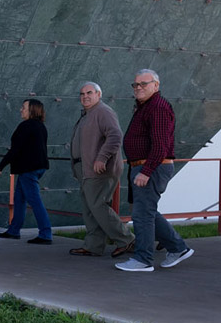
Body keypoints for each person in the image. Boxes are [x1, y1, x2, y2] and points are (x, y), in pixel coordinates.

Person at [115, 69, 193, 273]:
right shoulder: (146, 106)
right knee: (146, 211)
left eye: (144, 84)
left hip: (150, 166)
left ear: (156, 85)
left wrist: (147, 171)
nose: (138, 87)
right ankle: (178, 248)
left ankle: (143, 260)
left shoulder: (158, 107)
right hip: (141, 166)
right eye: (135, 84)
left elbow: (160, 145)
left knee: (142, 214)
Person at [67, 82, 133, 258]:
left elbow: (115, 136)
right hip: (86, 169)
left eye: (89, 93)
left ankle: (126, 239)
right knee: (90, 208)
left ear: (99, 94)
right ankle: (93, 246)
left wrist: (102, 158)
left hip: (98, 169)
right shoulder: (88, 114)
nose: (85, 96)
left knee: (98, 206)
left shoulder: (103, 111)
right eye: (82, 94)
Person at [0, 98, 53, 243]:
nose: (21, 110)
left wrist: (1, 165)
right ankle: (14, 230)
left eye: (24, 107)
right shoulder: (41, 126)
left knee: (35, 201)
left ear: (32, 110)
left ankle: (46, 234)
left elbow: (15, 149)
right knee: (19, 199)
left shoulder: (26, 126)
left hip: (29, 169)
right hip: (37, 167)